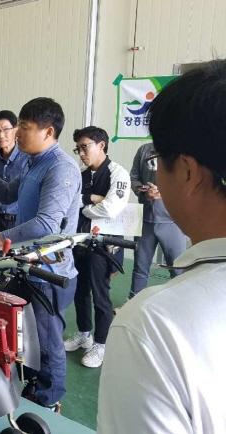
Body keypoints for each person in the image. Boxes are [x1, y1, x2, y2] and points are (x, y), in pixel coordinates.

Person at [97, 59, 226, 434]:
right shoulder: (140, 157)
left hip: (165, 229)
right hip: (149, 222)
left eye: (161, 160)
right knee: (141, 267)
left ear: (187, 171)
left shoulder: (151, 327)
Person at [0, 97, 81, 411]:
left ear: (48, 131)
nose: (17, 134)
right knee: (24, 334)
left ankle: (48, 400)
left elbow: (46, 223)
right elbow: (6, 195)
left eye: (25, 128)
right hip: (27, 265)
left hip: (49, 272)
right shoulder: (34, 162)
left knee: (47, 342)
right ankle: (30, 385)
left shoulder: (60, 167)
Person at [64, 126, 130, 368]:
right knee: (79, 291)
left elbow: (112, 208)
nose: (81, 153)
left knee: (100, 295)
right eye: (78, 149)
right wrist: (93, 199)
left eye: (85, 147)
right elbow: (71, 203)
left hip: (104, 245)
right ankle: (84, 334)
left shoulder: (117, 173)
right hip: (80, 241)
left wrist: (86, 204)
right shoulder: (80, 175)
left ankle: (101, 344)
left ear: (101, 145)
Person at [129, 142, 187, 298]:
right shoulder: (144, 150)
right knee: (140, 268)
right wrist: (143, 190)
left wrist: (164, 192)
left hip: (173, 222)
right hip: (145, 220)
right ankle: (133, 302)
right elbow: (133, 178)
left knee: (178, 269)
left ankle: (178, 304)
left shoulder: (181, 151)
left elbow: (188, 183)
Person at [0, 110, 28, 234]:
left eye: (6, 129)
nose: (1, 135)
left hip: (21, 221)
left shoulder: (27, 158)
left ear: (16, 130)